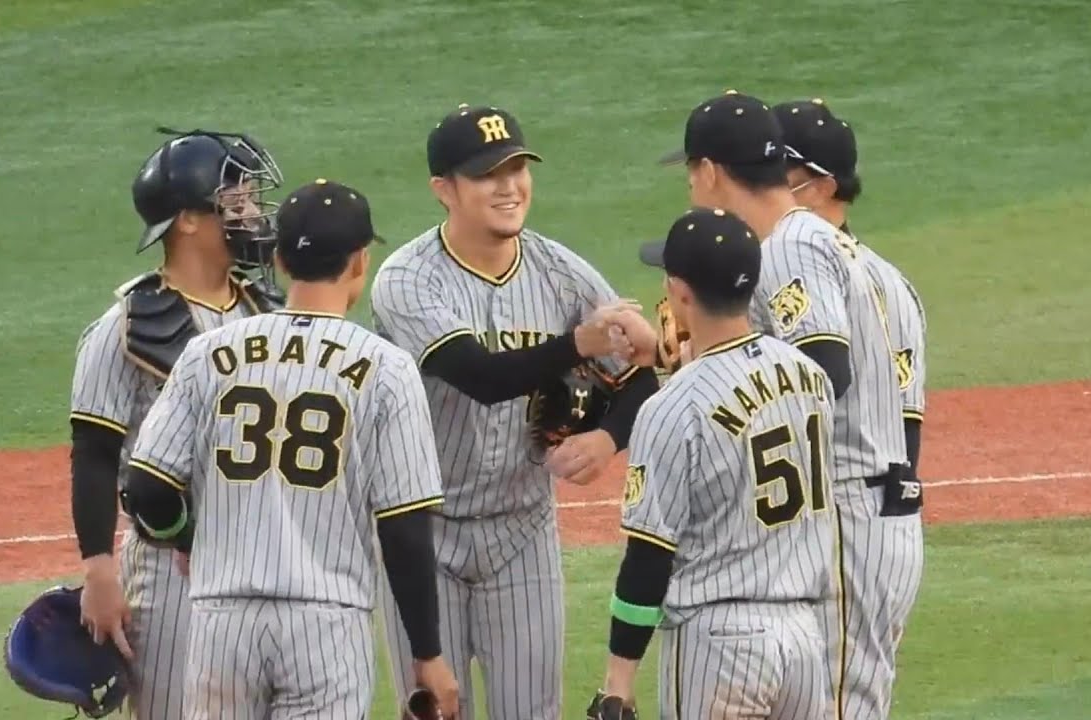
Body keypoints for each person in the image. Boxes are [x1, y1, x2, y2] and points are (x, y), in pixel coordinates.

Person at [119, 178, 460, 718]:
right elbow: (404, 528)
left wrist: (184, 537)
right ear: (360, 261)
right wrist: (427, 654)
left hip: (221, 624)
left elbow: (145, 486)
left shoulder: (207, 353)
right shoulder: (387, 369)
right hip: (326, 629)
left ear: (279, 260)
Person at [370, 103, 659, 720]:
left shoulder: (562, 273)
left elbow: (641, 377)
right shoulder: (408, 280)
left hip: (522, 533)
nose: (508, 187)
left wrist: (607, 438)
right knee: (434, 712)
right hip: (424, 535)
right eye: (486, 174)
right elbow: (479, 376)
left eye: (517, 169)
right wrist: (577, 344)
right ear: (443, 189)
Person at [651, 90, 923, 720]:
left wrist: (702, 375)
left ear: (710, 172)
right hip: (867, 507)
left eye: (690, 174)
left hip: (849, 511)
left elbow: (825, 367)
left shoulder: (790, 243)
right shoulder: (828, 246)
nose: (691, 190)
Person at [587, 207, 837, 720]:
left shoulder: (671, 407)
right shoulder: (811, 377)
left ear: (680, 292)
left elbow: (648, 557)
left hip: (720, 647)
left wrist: (618, 682)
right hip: (806, 641)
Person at [67, 128, 284, 719]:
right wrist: (99, 571)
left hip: (270, 558)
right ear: (188, 220)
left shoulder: (267, 310)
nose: (253, 215)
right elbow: (94, 452)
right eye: (236, 201)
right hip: (171, 571)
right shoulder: (123, 329)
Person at [772, 98, 928, 477]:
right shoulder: (891, 279)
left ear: (823, 187)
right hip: (864, 497)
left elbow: (902, 411)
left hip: (835, 489)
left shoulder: (797, 258)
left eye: (778, 167)